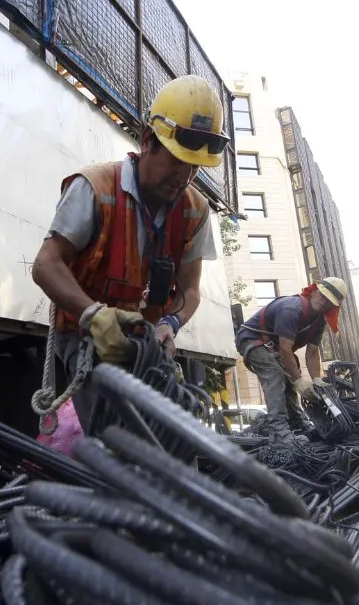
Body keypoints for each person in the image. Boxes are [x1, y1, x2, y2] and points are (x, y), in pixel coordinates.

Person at [31, 75, 227, 431]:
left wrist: (171, 323)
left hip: (147, 339)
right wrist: (93, 315)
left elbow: (191, 289)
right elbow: (46, 265)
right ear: (148, 140)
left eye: (195, 167)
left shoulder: (195, 211)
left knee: (173, 435)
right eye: (177, 161)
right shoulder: (94, 187)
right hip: (85, 333)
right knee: (118, 434)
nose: (184, 176)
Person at [234, 277, 350, 443]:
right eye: (323, 296)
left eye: (329, 301)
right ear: (315, 291)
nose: (324, 302)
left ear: (334, 306)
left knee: (289, 381)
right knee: (275, 374)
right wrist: (299, 381)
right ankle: (278, 432)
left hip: (273, 346)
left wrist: (316, 379)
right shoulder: (292, 308)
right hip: (252, 339)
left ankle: (297, 423)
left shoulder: (318, 321)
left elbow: (312, 352)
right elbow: (285, 349)